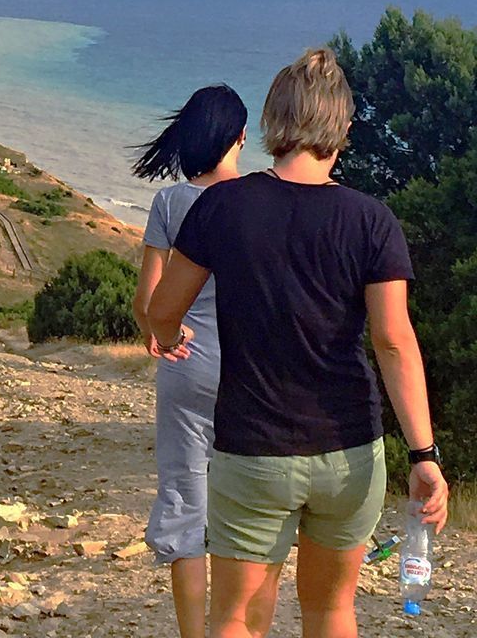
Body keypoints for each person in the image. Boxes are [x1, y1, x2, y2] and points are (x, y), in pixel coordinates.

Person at [146, 48, 449, 638]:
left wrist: (168, 336)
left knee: (238, 617)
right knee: (332, 610)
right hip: (350, 453)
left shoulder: (222, 206)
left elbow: (162, 309)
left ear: (271, 123)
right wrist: (424, 456)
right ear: (344, 128)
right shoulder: (371, 219)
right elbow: (393, 343)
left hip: (253, 448)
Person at [132, 85, 248, 638]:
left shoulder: (170, 202)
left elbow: (148, 303)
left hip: (189, 367)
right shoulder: (256, 199)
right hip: (252, 370)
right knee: (245, 511)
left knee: (185, 505)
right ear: (241, 138)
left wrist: (161, 336)